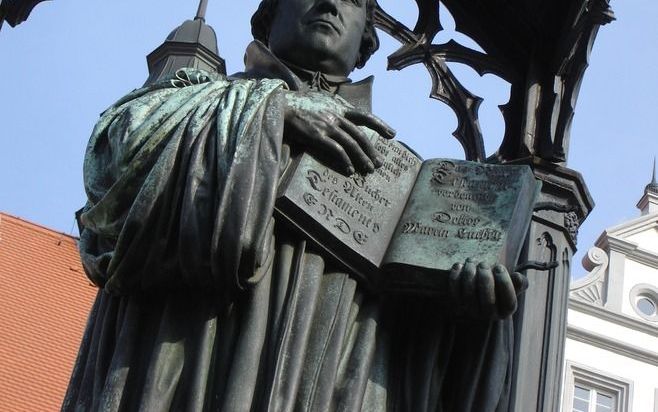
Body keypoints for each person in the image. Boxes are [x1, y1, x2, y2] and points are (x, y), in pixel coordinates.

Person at [63, 0, 526, 410]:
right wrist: (272, 109)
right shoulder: (188, 98)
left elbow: (423, 371)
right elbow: (111, 164)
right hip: (194, 359)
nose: (329, 4)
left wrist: (472, 320)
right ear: (269, 15)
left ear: (368, 34)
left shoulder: (407, 186)